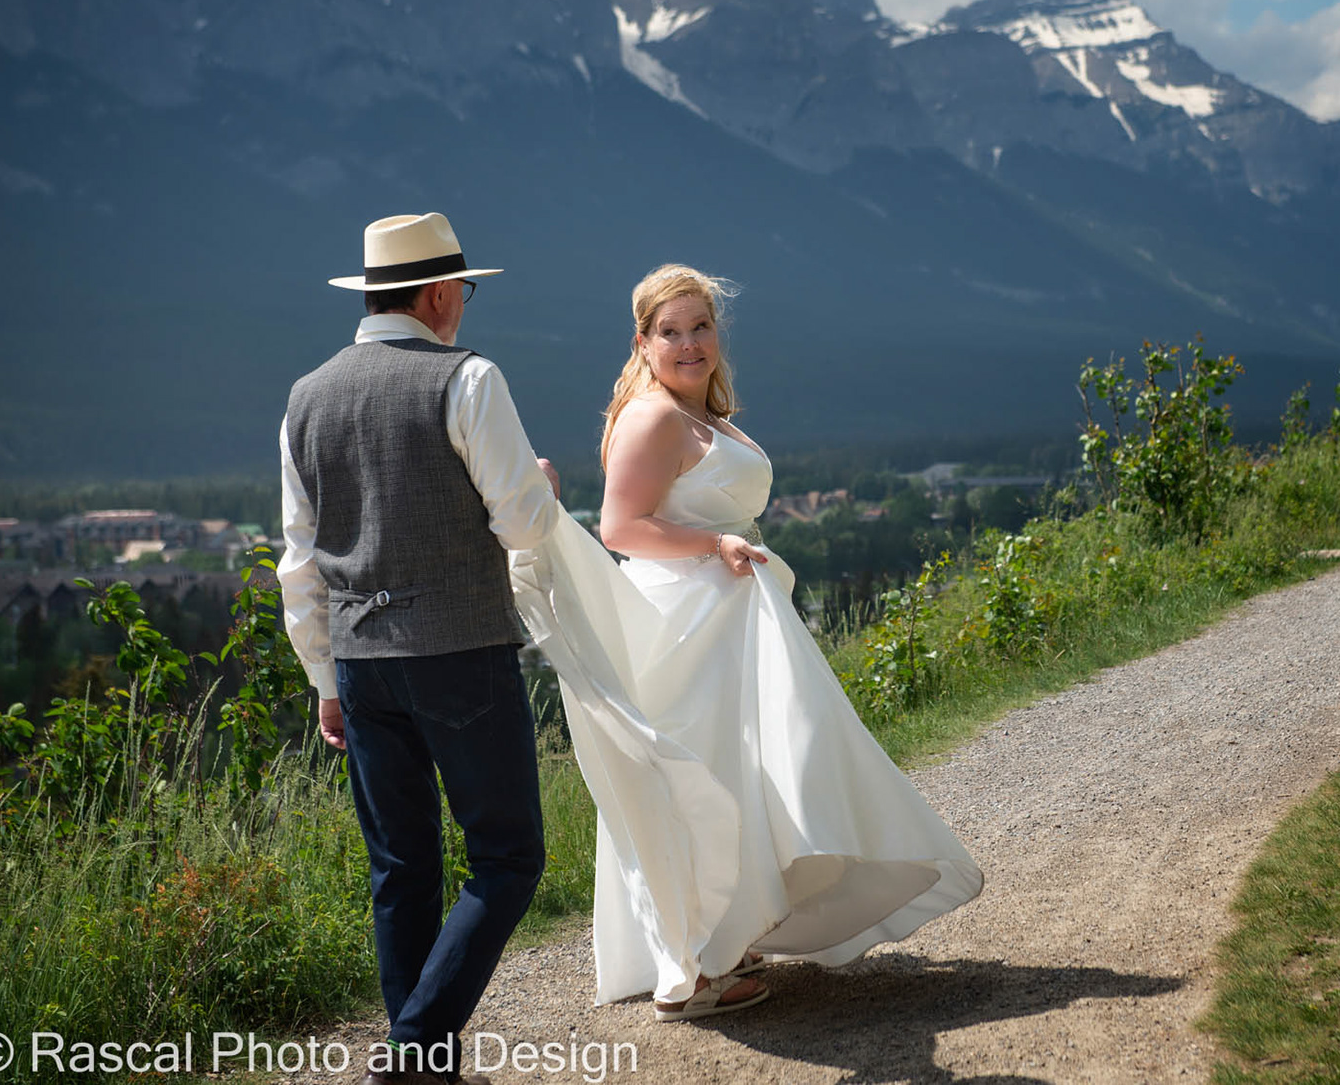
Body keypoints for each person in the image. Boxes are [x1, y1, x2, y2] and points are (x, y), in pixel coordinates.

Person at [509, 264, 983, 1022]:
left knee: (742, 773)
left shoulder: (701, 414)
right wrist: (715, 544)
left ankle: (727, 932)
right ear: (643, 340)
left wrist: (722, 551)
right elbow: (619, 529)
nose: (690, 343)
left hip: (722, 617)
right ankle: (694, 965)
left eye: (701, 327)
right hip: (684, 621)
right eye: (672, 331)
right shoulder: (654, 417)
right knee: (700, 781)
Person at [280, 212, 564, 1085]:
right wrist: (544, 489)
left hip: (362, 666)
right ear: (441, 294)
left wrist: (324, 679)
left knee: (401, 866)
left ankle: (424, 1065)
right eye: (465, 293)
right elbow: (522, 523)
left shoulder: (305, 395)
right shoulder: (468, 379)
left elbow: (300, 562)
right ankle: (414, 1052)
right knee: (508, 857)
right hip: (460, 652)